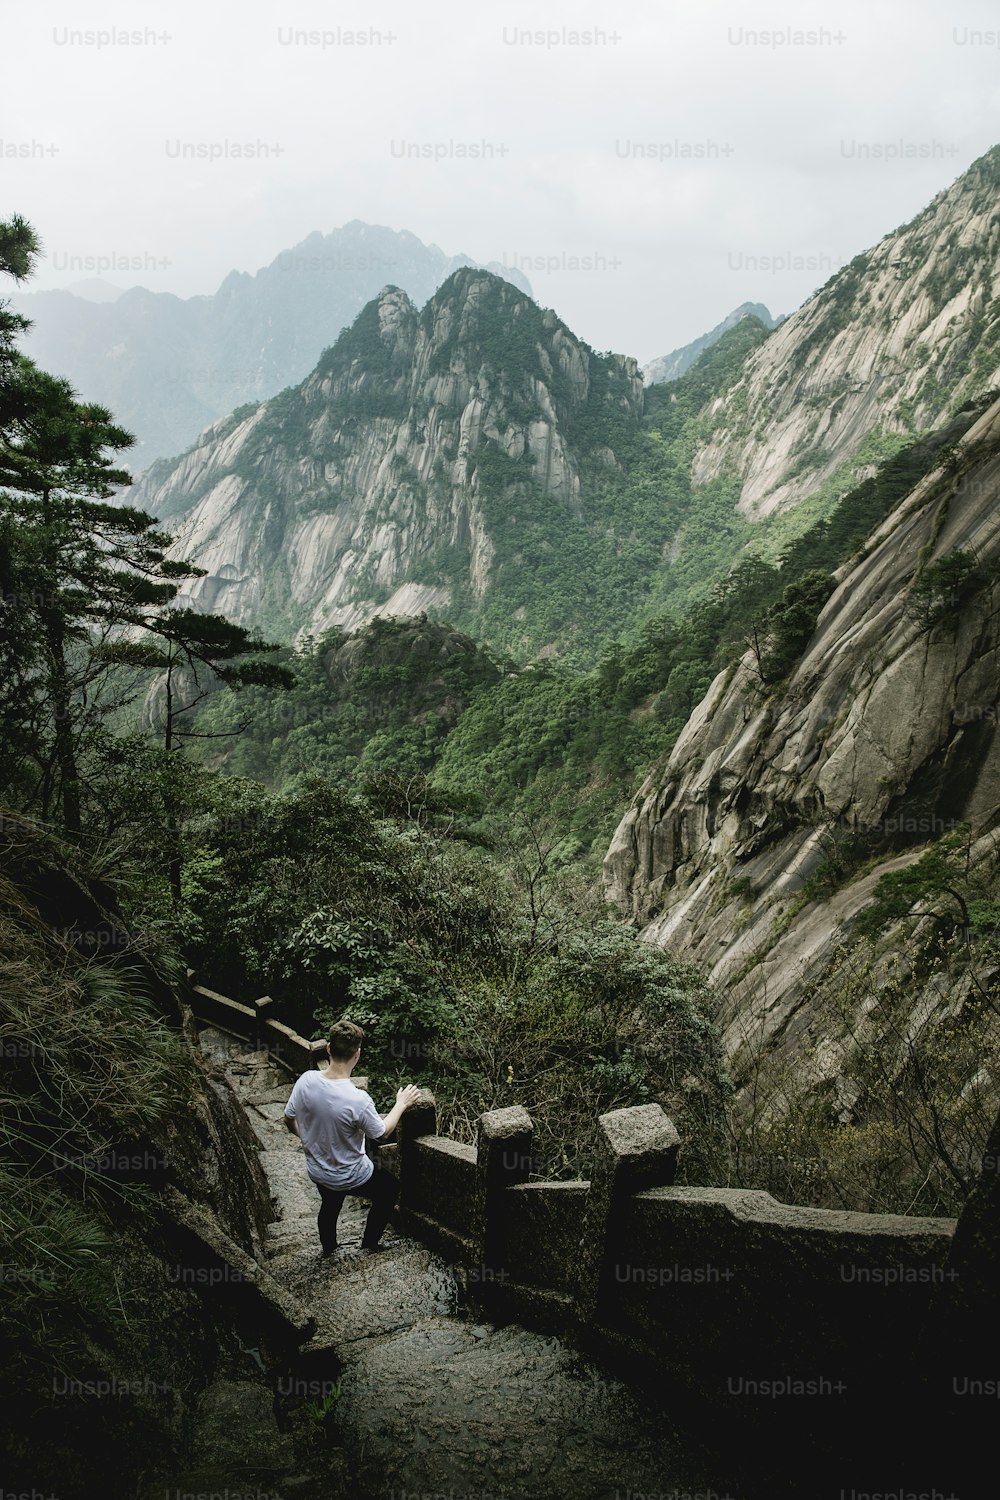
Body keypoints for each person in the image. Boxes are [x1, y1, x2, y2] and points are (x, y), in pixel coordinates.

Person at [283, 1018, 420, 1256]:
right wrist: (401, 1104)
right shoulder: (358, 1100)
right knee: (389, 1188)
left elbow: (288, 1118)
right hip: (352, 1175)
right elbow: (382, 1132)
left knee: (330, 1203)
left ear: (328, 1049)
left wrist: (306, 1141)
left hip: (318, 1170)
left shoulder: (306, 1080)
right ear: (357, 1054)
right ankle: (369, 1244)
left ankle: (329, 1248)